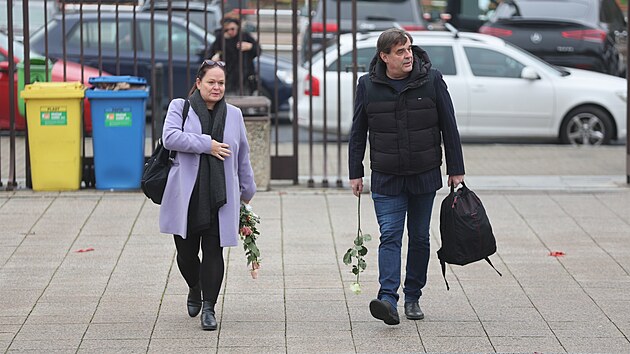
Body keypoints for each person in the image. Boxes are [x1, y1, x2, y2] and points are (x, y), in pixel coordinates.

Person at [348, 28, 465, 326]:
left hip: (424, 174)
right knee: (389, 236)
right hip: (387, 177)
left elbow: (449, 126)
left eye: (409, 49)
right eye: (400, 51)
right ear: (384, 57)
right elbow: (358, 131)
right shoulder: (367, 85)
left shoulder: (432, 80)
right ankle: (388, 298)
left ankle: (413, 295)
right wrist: (355, 172)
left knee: (420, 237)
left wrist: (456, 168)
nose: (408, 55)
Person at [159, 59, 256, 331]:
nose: (216, 87)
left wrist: (248, 190)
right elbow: (170, 138)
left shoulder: (234, 114)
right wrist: (207, 145)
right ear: (198, 83)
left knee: (214, 250)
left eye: (221, 83)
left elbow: (242, 155)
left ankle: (210, 308)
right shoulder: (181, 107)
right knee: (186, 254)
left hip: (220, 194)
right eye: (211, 82)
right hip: (186, 195)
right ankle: (194, 287)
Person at [207, 17, 261, 95]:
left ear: (237, 27)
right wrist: (215, 57)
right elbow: (211, 54)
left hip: (244, 78)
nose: (230, 32)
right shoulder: (220, 38)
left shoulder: (244, 36)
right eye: (227, 30)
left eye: (232, 29)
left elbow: (258, 51)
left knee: (244, 102)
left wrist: (250, 47)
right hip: (227, 78)